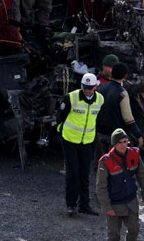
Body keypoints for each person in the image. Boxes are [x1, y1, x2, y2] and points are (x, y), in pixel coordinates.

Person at [56, 72, 103, 216]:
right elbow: (60, 116)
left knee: (84, 174)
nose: (87, 90)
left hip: (87, 142)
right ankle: (71, 205)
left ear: (95, 86)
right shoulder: (71, 97)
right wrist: (61, 130)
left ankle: (84, 205)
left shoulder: (100, 100)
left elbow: (97, 119)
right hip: (70, 140)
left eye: (90, 87)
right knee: (72, 174)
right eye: (85, 87)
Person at [96, 128, 144, 241]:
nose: (123, 145)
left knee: (134, 230)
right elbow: (101, 187)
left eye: (125, 141)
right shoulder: (105, 161)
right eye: (119, 143)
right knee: (113, 236)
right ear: (114, 144)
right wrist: (107, 207)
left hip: (131, 202)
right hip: (114, 204)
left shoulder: (134, 154)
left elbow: (142, 175)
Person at [96, 62, 144, 156]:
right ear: (125, 76)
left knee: (100, 162)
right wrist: (138, 135)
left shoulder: (100, 87)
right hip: (115, 135)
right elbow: (128, 118)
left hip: (99, 132)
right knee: (114, 163)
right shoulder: (122, 93)